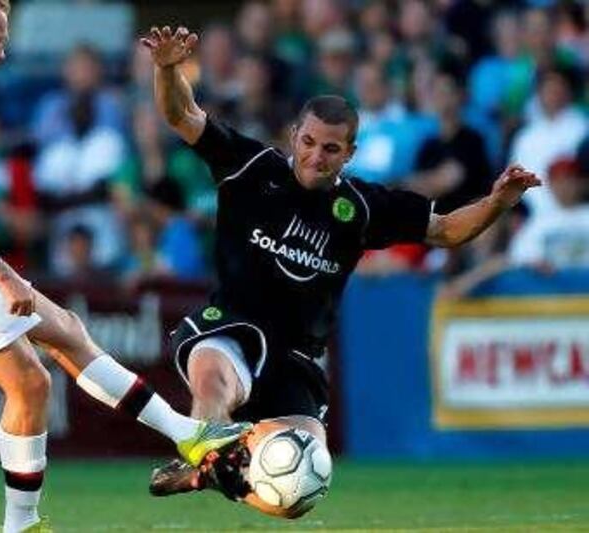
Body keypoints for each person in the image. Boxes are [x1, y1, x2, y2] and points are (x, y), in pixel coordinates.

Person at [0, 4, 249, 532]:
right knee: (30, 384)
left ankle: (189, 434)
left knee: (67, 329)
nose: (2, 52)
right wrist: (3, 274)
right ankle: (20, 525)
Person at [140, 25, 541, 505]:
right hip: (231, 325)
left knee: (302, 485)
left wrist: (498, 201)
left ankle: (215, 468)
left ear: (349, 154)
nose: (315, 156)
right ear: (294, 136)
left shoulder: (363, 208)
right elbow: (181, 113)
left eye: (331, 149)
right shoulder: (251, 168)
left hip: (296, 357)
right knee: (213, 380)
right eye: (308, 142)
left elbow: (448, 229)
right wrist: (167, 68)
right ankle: (207, 453)